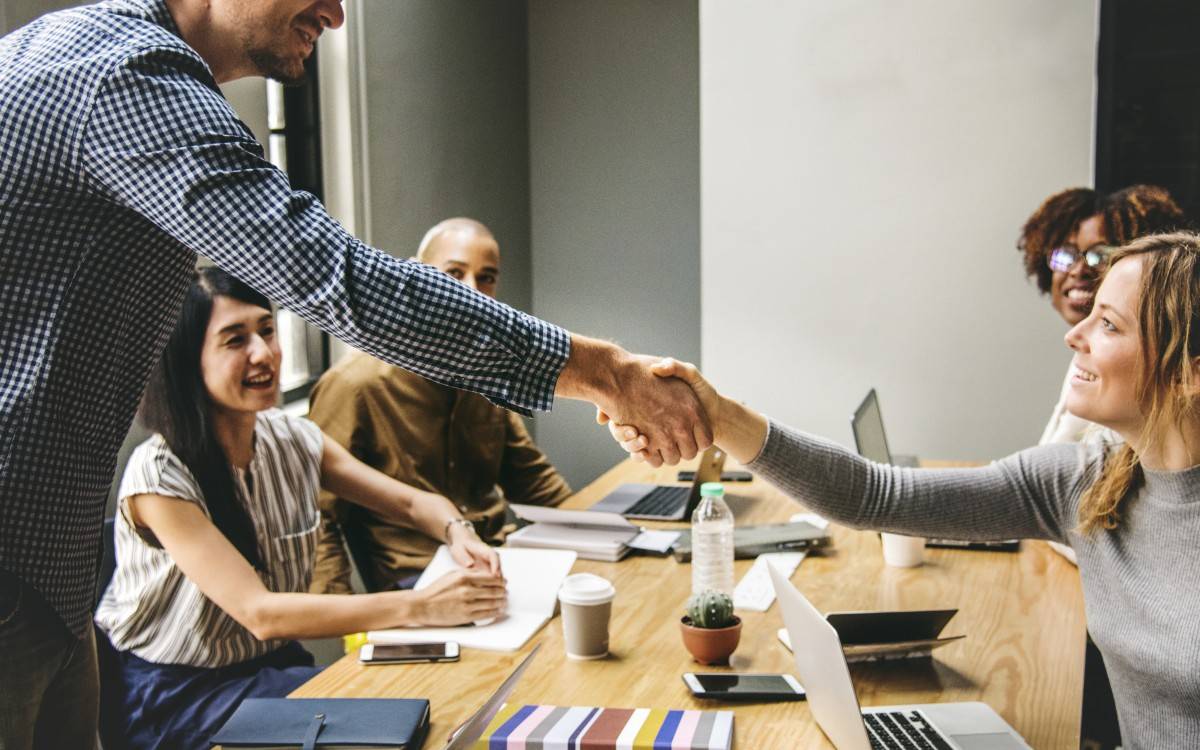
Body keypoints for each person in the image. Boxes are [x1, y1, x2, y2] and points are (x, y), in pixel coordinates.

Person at [0, 1, 706, 742]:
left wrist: (457, 529)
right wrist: (607, 373)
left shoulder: (121, 74)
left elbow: (425, 501)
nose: (337, 13)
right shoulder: (125, 72)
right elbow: (344, 280)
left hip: (52, 575)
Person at [611, 232, 1200, 745]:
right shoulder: (1084, 480)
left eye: (1109, 324)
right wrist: (719, 417)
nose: (1076, 336)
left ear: (1188, 372)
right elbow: (872, 495)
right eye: (1089, 314)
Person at [93, 267, 505, 749]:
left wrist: (459, 531)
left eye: (267, 330)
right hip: (177, 696)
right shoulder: (157, 475)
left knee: (424, 705)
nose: (263, 353)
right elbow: (261, 613)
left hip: (271, 669)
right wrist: (422, 608)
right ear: (187, 362)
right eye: (234, 340)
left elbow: (412, 503)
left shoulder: (291, 437)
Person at [308, 218, 572, 593]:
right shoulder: (356, 385)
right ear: (417, 277)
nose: (472, 292)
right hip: (414, 584)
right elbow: (318, 515)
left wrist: (598, 539)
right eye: (453, 273)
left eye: (487, 277)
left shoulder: (484, 372)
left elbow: (533, 481)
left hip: (500, 562)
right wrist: (343, 616)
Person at [1018, 185, 1185, 445]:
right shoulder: (1083, 357)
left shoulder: (1129, 391)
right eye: (1066, 254)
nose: (1078, 270)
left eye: (1102, 255)